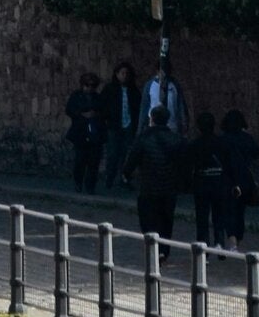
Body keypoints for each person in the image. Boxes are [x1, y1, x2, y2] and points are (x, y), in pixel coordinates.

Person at [124, 110, 182, 262]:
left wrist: (126, 174)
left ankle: (153, 248)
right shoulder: (176, 139)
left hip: (148, 187)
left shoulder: (143, 138)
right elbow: (183, 162)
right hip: (169, 187)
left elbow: (133, 158)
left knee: (149, 220)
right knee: (166, 220)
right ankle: (164, 250)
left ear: (152, 119)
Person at [217, 108, 259, 249]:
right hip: (244, 180)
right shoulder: (247, 139)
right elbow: (257, 153)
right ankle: (238, 238)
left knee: (228, 210)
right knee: (240, 211)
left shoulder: (223, 139)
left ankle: (232, 239)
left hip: (227, 179)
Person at [188, 113, 229, 249]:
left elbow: (190, 163)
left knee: (202, 216)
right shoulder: (221, 142)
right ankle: (219, 242)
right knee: (219, 214)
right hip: (219, 181)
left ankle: (203, 245)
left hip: (202, 181)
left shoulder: (195, 144)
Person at [98, 62, 140, 192]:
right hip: (114, 126)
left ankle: (124, 178)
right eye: (122, 73)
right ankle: (109, 179)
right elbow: (102, 106)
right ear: (116, 74)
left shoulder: (133, 91)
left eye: (127, 73)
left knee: (126, 154)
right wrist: (106, 120)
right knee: (113, 154)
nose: (124, 76)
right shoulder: (110, 89)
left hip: (128, 126)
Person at [65, 72, 105, 195]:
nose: (89, 88)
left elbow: (105, 111)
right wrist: (82, 114)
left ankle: (90, 186)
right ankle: (78, 183)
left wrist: (95, 114)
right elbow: (69, 110)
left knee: (94, 161)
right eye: (87, 85)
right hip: (81, 132)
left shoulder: (98, 98)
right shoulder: (76, 96)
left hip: (95, 132)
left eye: (92, 86)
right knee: (80, 160)